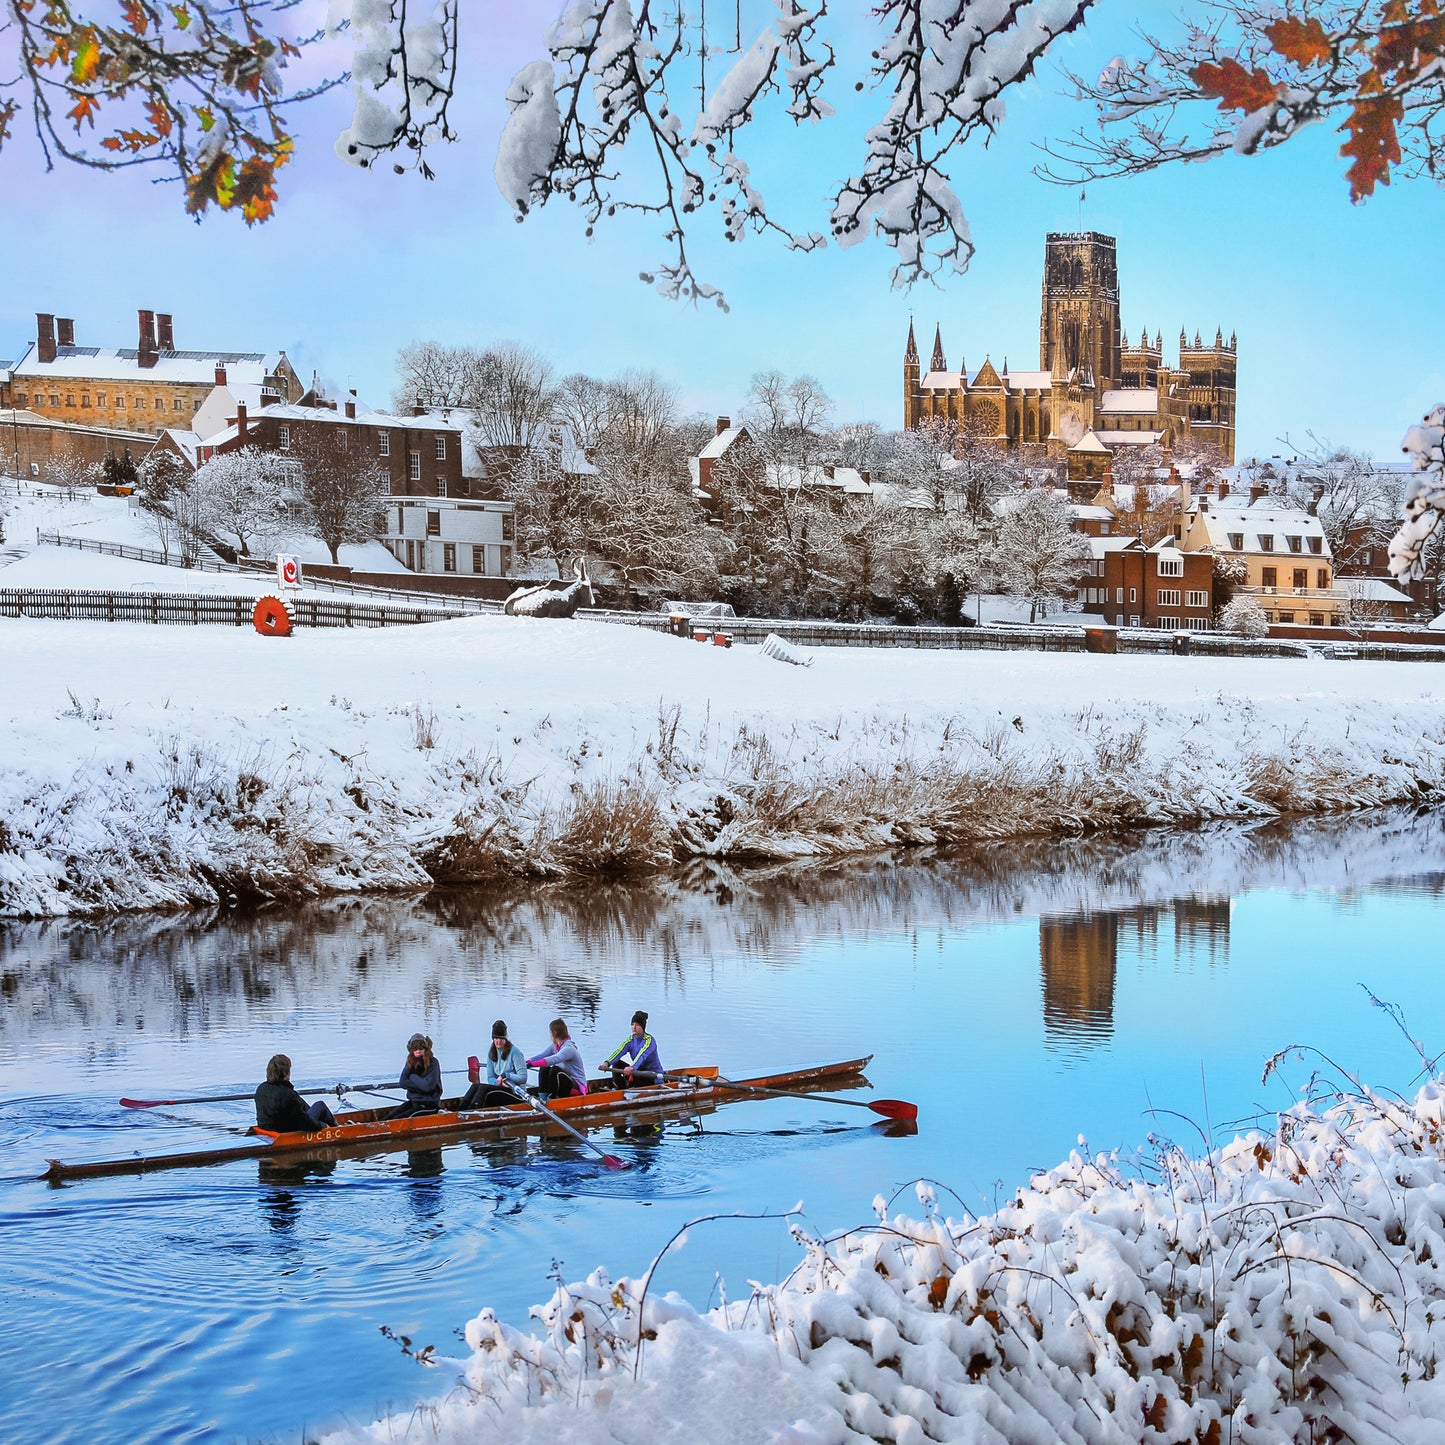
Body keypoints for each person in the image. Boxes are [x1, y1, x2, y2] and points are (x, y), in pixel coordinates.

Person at [254, 1054, 336, 1134]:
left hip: (267, 1129)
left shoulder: (261, 1089)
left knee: (300, 1100)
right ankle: (337, 1128)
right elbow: (304, 1123)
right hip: (286, 1132)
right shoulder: (288, 1094)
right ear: (285, 1073)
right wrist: (322, 1125)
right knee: (320, 1105)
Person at [460, 1020, 527, 1109]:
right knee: (475, 1086)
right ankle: (460, 1111)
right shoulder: (491, 1053)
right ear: (493, 1038)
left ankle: (472, 1113)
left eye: (501, 1038)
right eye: (496, 1038)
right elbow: (490, 1078)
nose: (498, 1041)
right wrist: (497, 1082)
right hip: (501, 1089)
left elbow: (523, 1078)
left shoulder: (515, 1053)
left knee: (483, 1089)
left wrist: (506, 1075)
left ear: (505, 1038)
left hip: (516, 1093)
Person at [527, 1018, 588, 1099]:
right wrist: (526, 1062)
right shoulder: (555, 1046)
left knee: (555, 1070)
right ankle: (543, 1097)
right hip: (565, 1084)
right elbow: (542, 1055)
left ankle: (552, 1099)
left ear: (554, 1033)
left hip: (576, 1088)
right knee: (544, 1068)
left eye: (550, 1032)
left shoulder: (569, 1048)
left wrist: (532, 1064)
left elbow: (553, 1059)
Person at [599, 1010, 663, 1085]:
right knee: (616, 1063)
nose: (634, 1027)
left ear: (643, 1027)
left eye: (637, 1025)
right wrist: (607, 1063)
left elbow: (641, 1055)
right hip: (638, 1071)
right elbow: (619, 1051)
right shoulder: (630, 1040)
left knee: (637, 1070)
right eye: (632, 1024)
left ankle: (627, 1089)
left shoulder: (649, 1040)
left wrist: (632, 1067)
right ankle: (620, 1089)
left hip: (653, 1076)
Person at [393, 1032, 443, 1118]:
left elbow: (428, 1087)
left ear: (426, 1049)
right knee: (390, 1117)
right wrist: (421, 1085)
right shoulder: (410, 1062)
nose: (418, 1051)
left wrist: (412, 1077)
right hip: (414, 1102)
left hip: (429, 1105)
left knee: (397, 1119)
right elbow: (402, 1083)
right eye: (415, 1048)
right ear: (411, 1050)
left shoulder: (433, 1062)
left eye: (421, 1048)